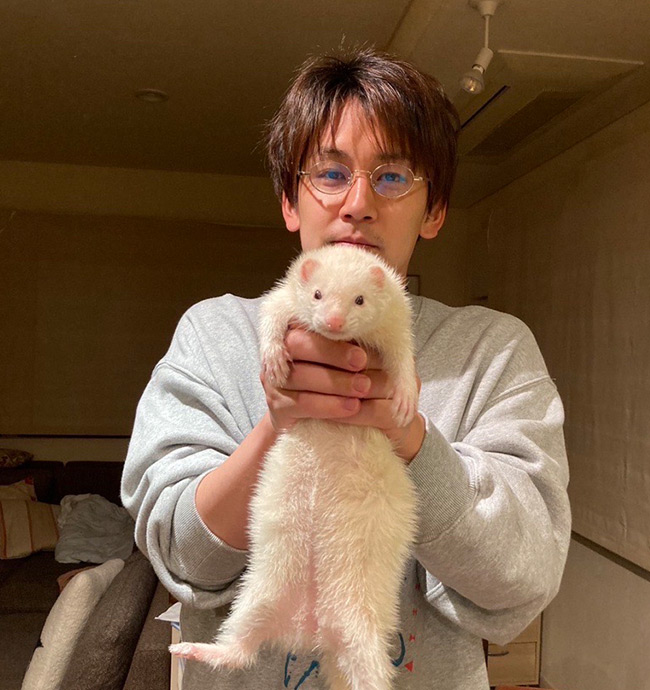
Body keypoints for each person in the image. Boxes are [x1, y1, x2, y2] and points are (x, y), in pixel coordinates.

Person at [122, 48, 571, 690]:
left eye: (393, 176)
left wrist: (410, 438)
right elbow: (175, 552)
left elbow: (526, 577)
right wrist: (279, 425)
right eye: (330, 173)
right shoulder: (213, 335)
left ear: (435, 210)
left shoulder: (493, 351)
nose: (358, 202)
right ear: (290, 201)